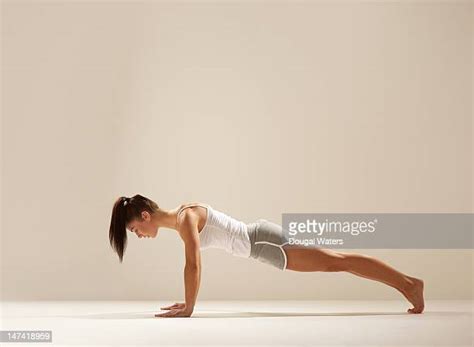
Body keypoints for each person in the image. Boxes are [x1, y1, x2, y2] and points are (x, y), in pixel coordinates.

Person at [109, 194, 425, 318]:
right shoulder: (182, 217)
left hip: (264, 243)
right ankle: (407, 284)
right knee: (334, 262)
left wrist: (190, 307)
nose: (138, 235)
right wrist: (187, 301)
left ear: (146, 216)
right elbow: (192, 263)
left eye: (135, 229)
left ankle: (409, 284)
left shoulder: (185, 218)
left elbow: (193, 263)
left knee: (335, 261)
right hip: (263, 244)